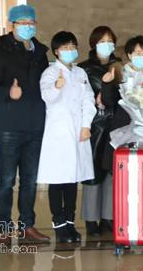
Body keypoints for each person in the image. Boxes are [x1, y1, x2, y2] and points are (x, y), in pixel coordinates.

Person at [0, 4, 50, 244]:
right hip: (9, 125)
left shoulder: (40, 53)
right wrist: (7, 93)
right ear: (11, 25)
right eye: (22, 22)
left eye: (31, 22)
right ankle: (4, 228)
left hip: (35, 124)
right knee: (7, 180)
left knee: (30, 180)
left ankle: (27, 226)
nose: (28, 26)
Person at [37, 31, 96, 243]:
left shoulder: (80, 73)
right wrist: (56, 87)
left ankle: (70, 223)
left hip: (78, 131)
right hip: (58, 133)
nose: (70, 51)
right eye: (65, 48)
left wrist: (86, 125)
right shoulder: (50, 73)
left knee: (72, 179)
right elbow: (46, 96)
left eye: (73, 47)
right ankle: (59, 225)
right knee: (58, 179)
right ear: (56, 51)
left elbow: (88, 99)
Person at [78, 26, 123, 237]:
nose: (107, 45)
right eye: (102, 41)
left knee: (112, 172)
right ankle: (90, 220)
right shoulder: (84, 69)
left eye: (110, 41)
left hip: (117, 125)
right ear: (94, 44)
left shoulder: (120, 66)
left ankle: (108, 218)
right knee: (93, 172)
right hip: (95, 126)